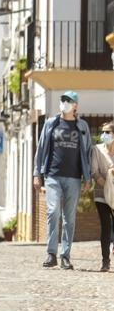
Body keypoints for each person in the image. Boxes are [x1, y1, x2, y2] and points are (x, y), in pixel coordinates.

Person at [33, 90, 92, 270]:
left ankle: (65, 255)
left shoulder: (82, 126)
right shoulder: (51, 123)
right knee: (53, 212)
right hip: (52, 175)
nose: (64, 103)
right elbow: (41, 149)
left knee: (69, 218)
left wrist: (87, 176)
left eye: (68, 101)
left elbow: (87, 151)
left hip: (74, 178)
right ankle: (51, 254)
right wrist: (37, 173)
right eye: (62, 100)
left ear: (75, 106)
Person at [91, 122, 114, 272]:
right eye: (103, 132)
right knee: (106, 226)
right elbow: (94, 171)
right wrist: (107, 182)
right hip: (101, 194)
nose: (104, 135)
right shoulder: (97, 150)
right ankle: (105, 261)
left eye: (108, 132)